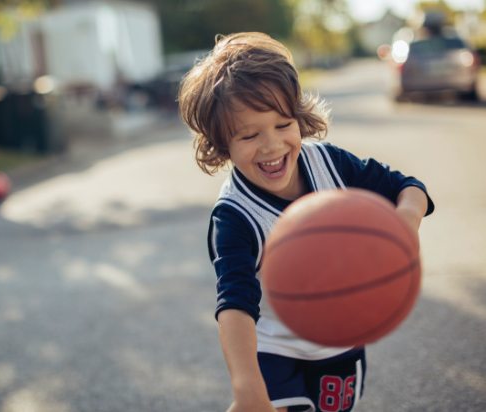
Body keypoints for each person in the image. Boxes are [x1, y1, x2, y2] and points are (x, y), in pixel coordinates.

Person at [177, 32, 435, 412]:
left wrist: (403, 225)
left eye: (283, 125)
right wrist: (247, 385)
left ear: (299, 118)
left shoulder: (328, 162)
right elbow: (235, 304)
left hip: (339, 338)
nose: (271, 145)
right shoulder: (235, 216)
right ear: (221, 145)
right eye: (249, 135)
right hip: (274, 347)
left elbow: (409, 188)